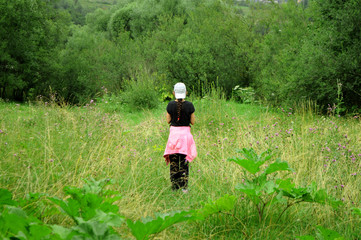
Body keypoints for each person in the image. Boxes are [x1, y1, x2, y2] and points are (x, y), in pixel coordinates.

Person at [163, 83, 197, 192]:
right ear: (186, 92)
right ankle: (184, 188)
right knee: (184, 164)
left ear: (174, 93)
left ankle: (174, 187)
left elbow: (168, 120)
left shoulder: (170, 105)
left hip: (174, 137)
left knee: (174, 164)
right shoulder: (190, 105)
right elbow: (193, 122)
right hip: (185, 138)